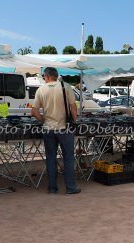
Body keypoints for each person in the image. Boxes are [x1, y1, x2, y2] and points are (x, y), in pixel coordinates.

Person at [31, 67, 81, 195]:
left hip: (48, 129)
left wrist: (43, 120)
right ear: (56, 76)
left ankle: (52, 188)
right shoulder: (66, 87)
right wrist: (74, 122)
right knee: (68, 159)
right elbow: (73, 108)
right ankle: (70, 188)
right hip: (65, 128)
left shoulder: (41, 89)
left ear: (46, 76)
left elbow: (34, 111)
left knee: (51, 159)